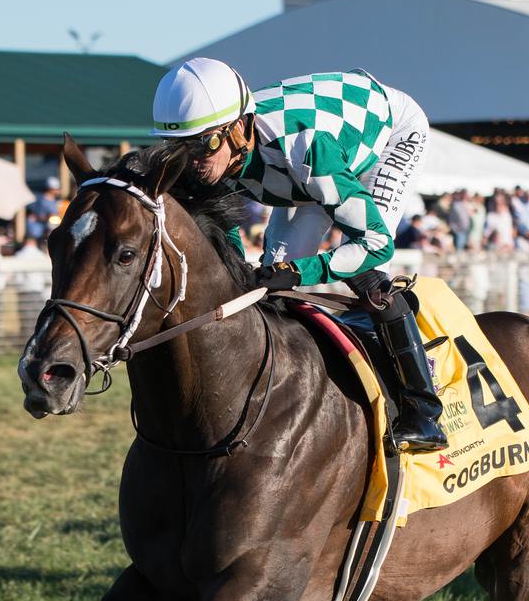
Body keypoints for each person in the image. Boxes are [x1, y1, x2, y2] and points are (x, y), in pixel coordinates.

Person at [151, 57, 447, 452]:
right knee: (271, 282)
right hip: (303, 166)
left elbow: (376, 242)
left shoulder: (305, 148)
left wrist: (300, 271)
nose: (194, 162)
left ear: (240, 129)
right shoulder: (217, 151)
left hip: (386, 135)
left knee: (369, 272)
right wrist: (264, 273)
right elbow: (230, 243)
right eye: (179, 148)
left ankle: (423, 410)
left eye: (204, 145)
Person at [26, 177, 61, 241]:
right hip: (40, 229)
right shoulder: (39, 199)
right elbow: (33, 214)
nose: (58, 190)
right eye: (56, 189)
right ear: (51, 189)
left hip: (53, 227)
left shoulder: (57, 201)